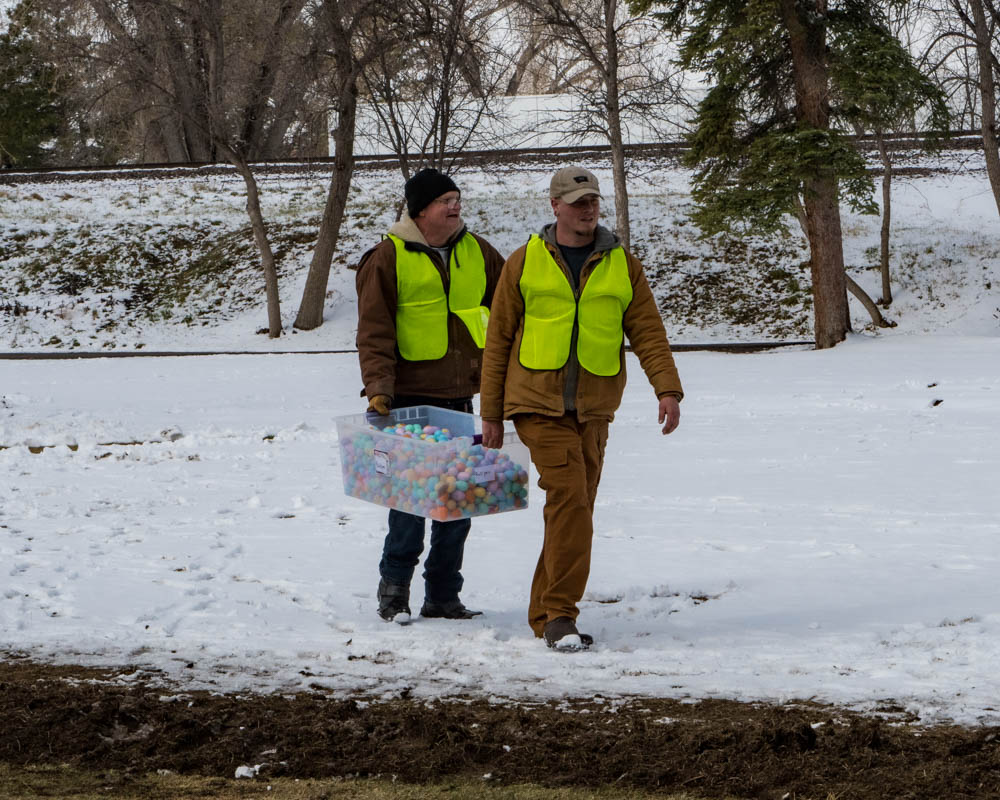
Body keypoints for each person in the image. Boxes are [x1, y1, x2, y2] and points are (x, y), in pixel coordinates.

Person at [479, 166, 683, 651]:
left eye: (592, 200)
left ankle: (541, 611)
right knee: (569, 498)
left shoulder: (622, 263)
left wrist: (667, 389)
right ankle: (561, 618)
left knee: (574, 510)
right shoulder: (523, 262)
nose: (587, 209)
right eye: (577, 201)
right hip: (536, 404)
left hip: (594, 408)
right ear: (555, 206)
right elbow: (498, 339)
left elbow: (648, 331)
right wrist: (491, 412)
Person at [356, 167, 505, 625]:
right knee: (409, 504)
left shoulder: (479, 251)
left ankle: (442, 594)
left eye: (457, 197)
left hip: (462, 397)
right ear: (421, 210)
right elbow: (374, 332)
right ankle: (394, 592)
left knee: (458, 503)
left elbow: (507, 313)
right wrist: (379, 390)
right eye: (446, 199)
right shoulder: (386, 256)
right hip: (407, 403)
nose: (455, 205)